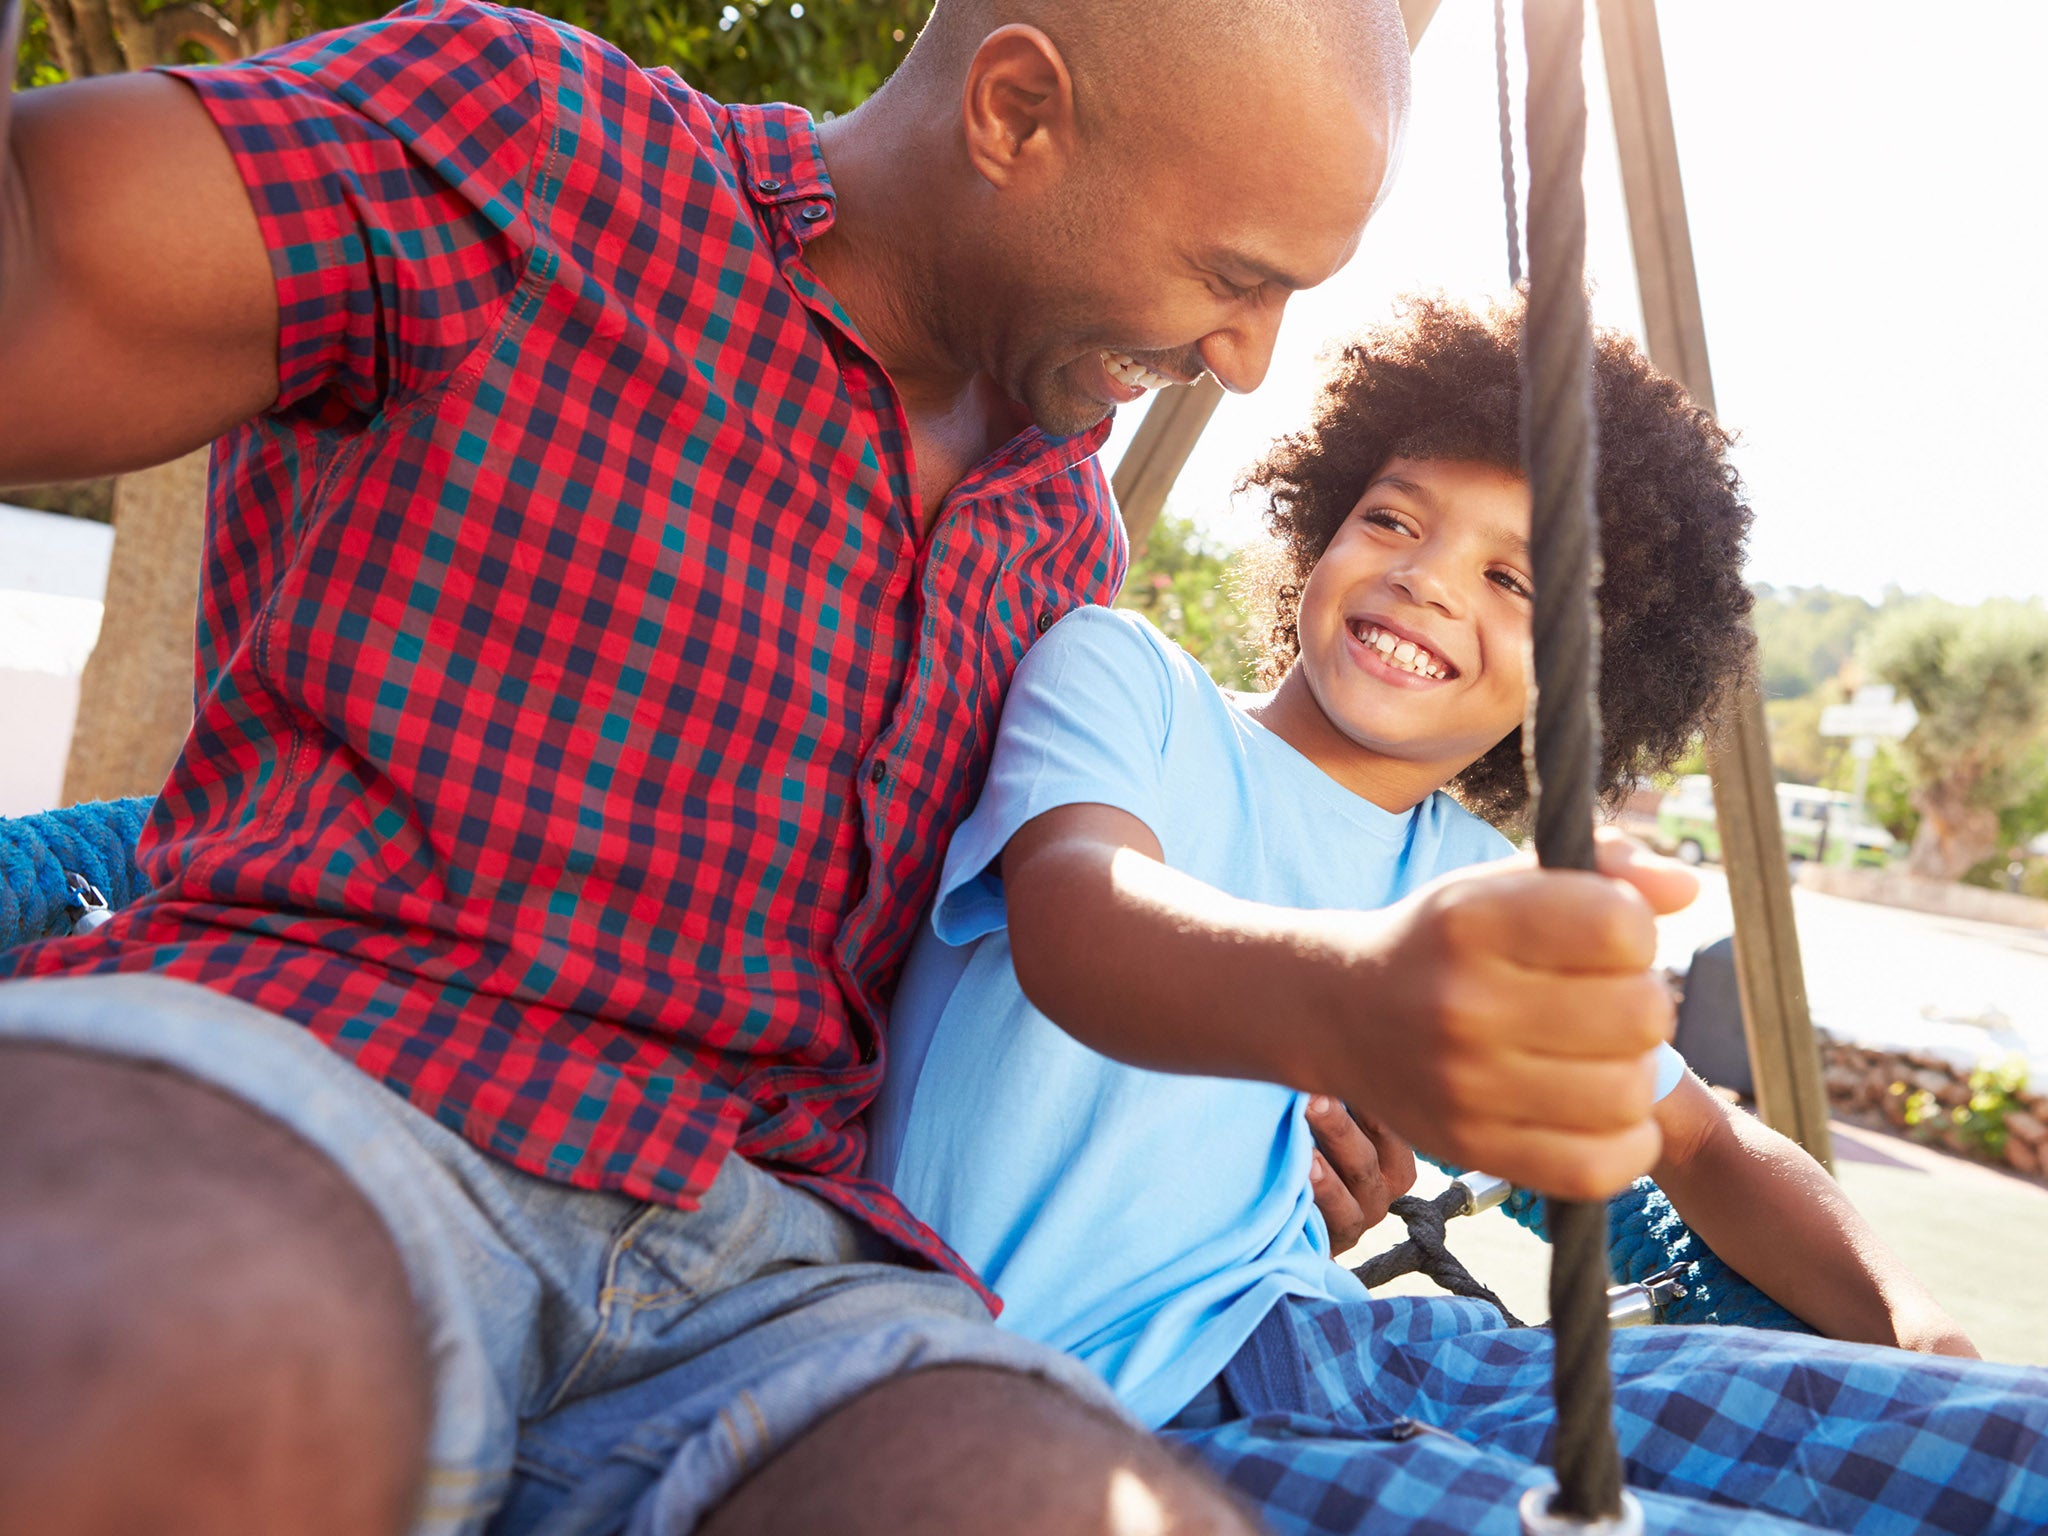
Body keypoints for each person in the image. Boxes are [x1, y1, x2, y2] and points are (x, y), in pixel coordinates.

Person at [0, 0, 1527, 1530]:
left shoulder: (1058, 545)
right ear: (1013, 113)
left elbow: (1038, 989)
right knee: (193, 1384)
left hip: (759, 1270)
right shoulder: (542, 154)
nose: (1249, 361)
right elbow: (42, 264)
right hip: (318, 1085)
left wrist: (1263, 1148)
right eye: (1232, 274)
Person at [873, 297, 2048, 1534]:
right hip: (1085, 1412)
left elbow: (1699, 1145)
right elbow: (1084, 926)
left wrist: (1912, 1325)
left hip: (1340, 1349)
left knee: (2000, 1447)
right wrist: (1364, 1006)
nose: (1424, 579)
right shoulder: (1128, 681)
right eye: (1389, 517)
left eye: (1508, 578)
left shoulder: (1473, 877)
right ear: (1319, 531)